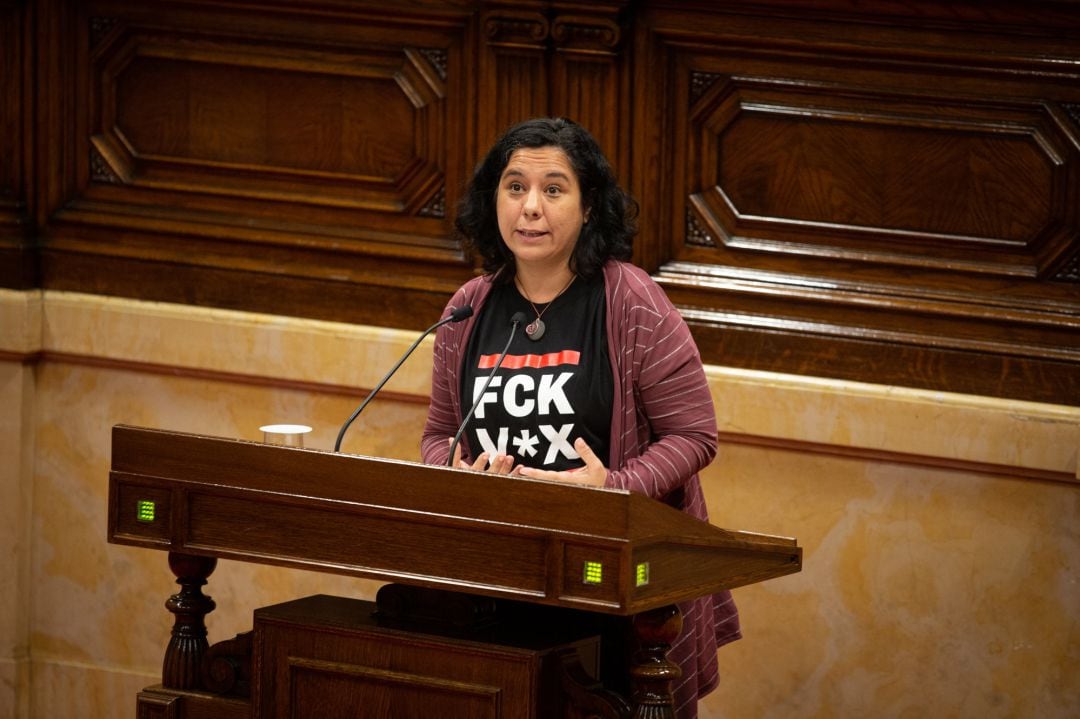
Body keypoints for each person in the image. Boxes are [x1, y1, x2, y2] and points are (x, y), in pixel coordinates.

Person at [420, 117, 739, 718]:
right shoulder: (469, 306)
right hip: (500, 572)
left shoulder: (629, 299)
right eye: (514, 187)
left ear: (589, 206)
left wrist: (613, 488)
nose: (530, 209)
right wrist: (460, 474)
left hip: (611, 579)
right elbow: (439, 436)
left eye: (553, 189)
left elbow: (694, 435)